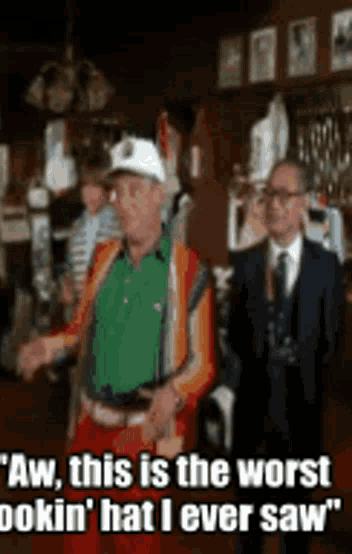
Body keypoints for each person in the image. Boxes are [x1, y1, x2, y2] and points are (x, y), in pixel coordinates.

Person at [17, 137, 217, 554]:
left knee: (135, 545)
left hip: (143, 432)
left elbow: (203, 363)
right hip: (89, 424)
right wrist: (48, 346)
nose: (122, 204)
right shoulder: (103, 258)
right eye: (117, 192)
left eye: (135, 191)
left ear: (158, 195)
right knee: (78, 541)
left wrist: (175, 392)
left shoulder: (189, 270)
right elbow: (79, 329)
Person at [222, 159, 344, 554]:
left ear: (304, 202)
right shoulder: (246, 264)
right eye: (270, 194)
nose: (274, 204)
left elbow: (330, 345)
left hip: (301, 423)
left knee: (296, 537)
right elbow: (235, 338)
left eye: (285, 195)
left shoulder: (327, 268)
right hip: (252, 425)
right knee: (249, 535)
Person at [61, 153, 122, 322]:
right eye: (85, 186)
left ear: (107, 189)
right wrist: (67, 285)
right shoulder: (76, 227)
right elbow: (70, 268)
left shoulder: (120, 224)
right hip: (82, 314)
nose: (89, 193)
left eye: (95, 187)